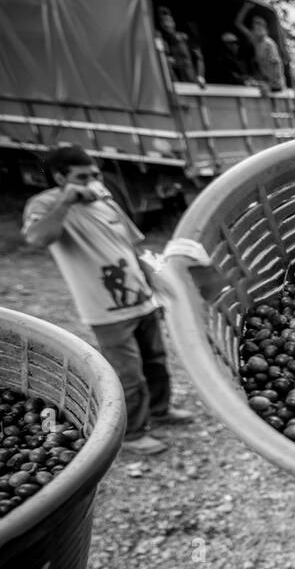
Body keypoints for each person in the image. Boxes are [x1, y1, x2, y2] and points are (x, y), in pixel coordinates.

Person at [22, 146, 196, 455]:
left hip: (141, 299)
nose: (92, 181)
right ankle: (132, 434)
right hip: (106, 309)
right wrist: (67, 199)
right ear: (61, 177)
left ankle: (160, 410)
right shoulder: (46, 203)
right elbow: (37, 238)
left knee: (156, 361)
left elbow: (129, 244)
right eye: (82, 176)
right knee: (128, 373)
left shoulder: (104, 199)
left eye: (95, 174)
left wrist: (150, 275)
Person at [237, 2, 286, 92]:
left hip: (274, 84)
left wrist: (271, 85)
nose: (257, 26)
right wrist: (245, 8)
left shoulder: (269, 44)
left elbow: (276, 65)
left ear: (265, 28)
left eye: (259, 24)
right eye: (255, 24)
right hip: (265, 79)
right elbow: (238, 23)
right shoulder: (255, 40)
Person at [157, 7, 204, 86]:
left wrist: (200, 76)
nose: (167, 24)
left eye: (169, 21)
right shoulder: (162, 41)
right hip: (176, 84)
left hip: (193, 82)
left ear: (173, 22)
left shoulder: (185, 38)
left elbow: (199, 57)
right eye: (163, 22)